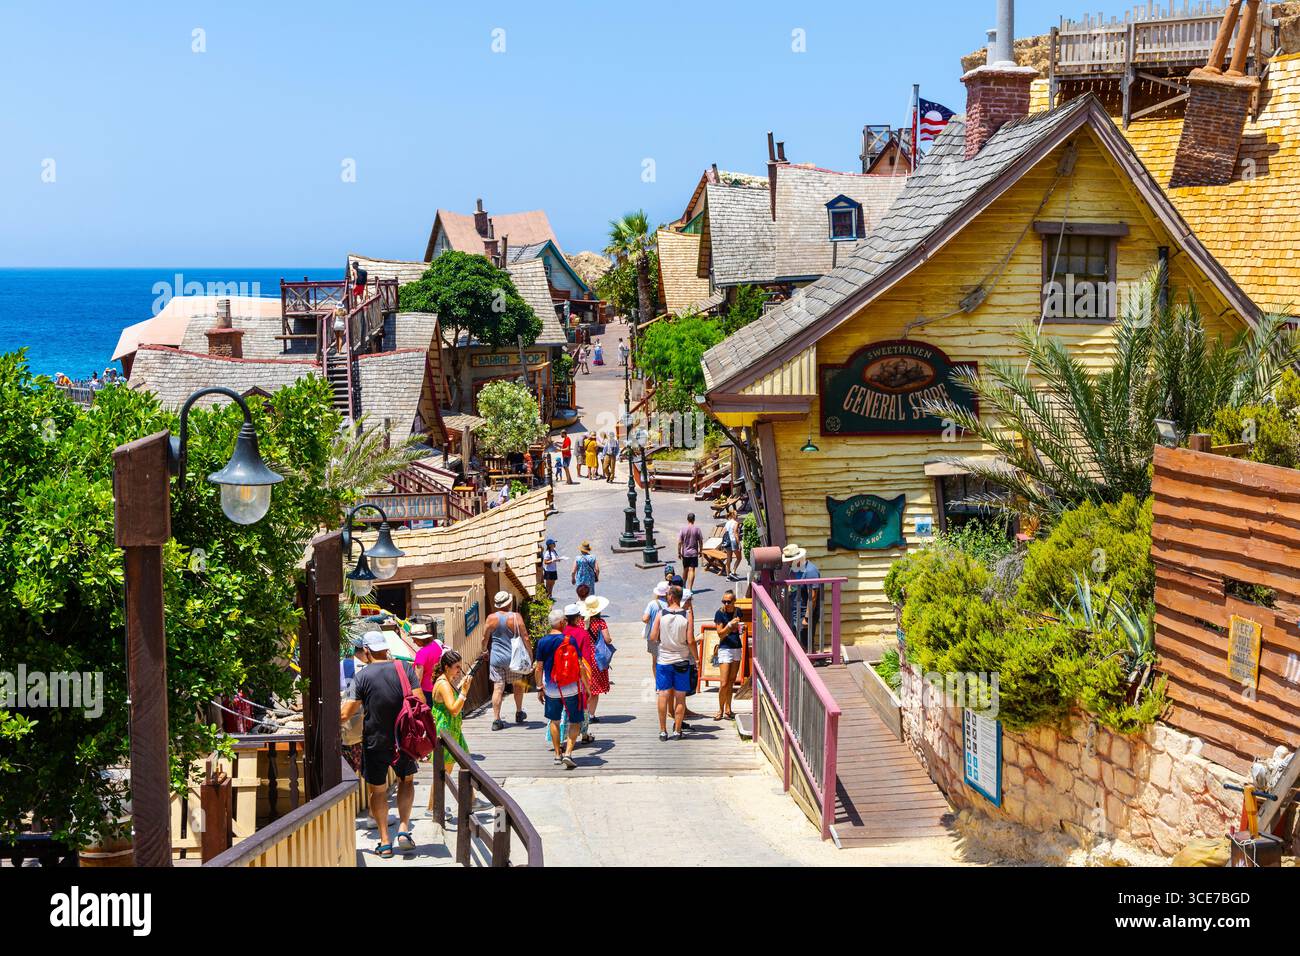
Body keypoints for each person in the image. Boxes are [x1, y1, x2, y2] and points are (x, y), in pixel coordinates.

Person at [339, 631, 422, 858]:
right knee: (406, 781)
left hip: (375, 741)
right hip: (404, 739)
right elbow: (420, 702)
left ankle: (385, 842)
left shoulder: (363, 676)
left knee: (378, 791)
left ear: (366, 650)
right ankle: (404, 829)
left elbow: (346, 713)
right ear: (385, 648)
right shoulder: (404, 669)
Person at [534, 607, 582, 769]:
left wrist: (540, 687)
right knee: (575, 720)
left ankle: (557, 754)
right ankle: (568, 753)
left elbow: (539, 667)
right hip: (572, 688)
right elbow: (580, 665)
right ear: (562, 623)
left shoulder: (542, 642)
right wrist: (586, 686)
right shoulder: (570, 640)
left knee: (554, 720)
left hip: (552, 689)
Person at [426, 649, 472, 816]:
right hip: (445, 732)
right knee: (443, 771)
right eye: (457, 667)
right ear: (446, 667)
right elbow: (453, 709)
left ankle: (473, 799)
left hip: (453, 731)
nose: (459, 670)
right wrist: (465, 691)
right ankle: (432, 807)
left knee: (465, 763)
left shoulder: (446, 680)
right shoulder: (444, 684)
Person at [650, 586, 696, 741]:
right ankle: (677, 730)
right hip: (682, 660)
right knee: (680, 697)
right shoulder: (687, 615)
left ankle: (663, 731)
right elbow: (690, 640)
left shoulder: (660, 614)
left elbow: (653, 637)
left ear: (670, 597)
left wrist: (663, 640)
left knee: (663, 695)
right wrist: (696, 658)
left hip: (664, 660)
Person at [483, 591, 528, 731]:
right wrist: (530, 654)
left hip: (496, 658)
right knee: (517, 685)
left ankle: (496, 720)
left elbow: (484, 638)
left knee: (498, 688)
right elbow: (525, 637)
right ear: (509, 603)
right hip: (513, 658)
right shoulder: (516, 617)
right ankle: (519, 712)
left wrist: (484, 650)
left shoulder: (491, 618)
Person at [781, 543, 822, 651]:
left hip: (805, 612)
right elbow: (793, 586)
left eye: (790, 560)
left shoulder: (810, 571)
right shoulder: (794, 569)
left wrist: (807, 618)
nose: (788, 563)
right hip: (796, 610)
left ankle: (812, 663)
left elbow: (813, 596)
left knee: (805, 642)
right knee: (799, 641)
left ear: (797, 559)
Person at [339, 635, 371, 774]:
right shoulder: (367, 668)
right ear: (366, 650)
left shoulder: (340, 664)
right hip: (362, 730)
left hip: (344, 727)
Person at [581, 595, 613, 725]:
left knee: (585, 685)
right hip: (596, 658)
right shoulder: (600, 623)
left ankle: (584, 712)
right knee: (595, 688)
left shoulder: (580, 622)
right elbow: (607, 639)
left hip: (584, 657)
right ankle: (591, 714)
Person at [713, 591, 743, 721]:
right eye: (724, 601)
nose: (726, 604)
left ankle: (728, 709)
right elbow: (720, 634)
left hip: (736, 646)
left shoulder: (738, 612)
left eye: (728, 601)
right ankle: (720, 709)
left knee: (731, 681)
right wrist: (730, 625)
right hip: (725, 648)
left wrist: (740, 628)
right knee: (724, 682)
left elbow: (740, 629)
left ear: (734, 601)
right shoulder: (720, 613)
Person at [411, 622, 443, 709]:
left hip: (427, 691)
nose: (413, 642)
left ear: (421, 639)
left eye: (415, 639)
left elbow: (418, 678)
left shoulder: (421, 653)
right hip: (439, 686)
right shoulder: (437, 644)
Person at [643, 580, 669, 677]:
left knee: (655, 661)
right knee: (667, 661)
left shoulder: (652, 604)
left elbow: (645, 619)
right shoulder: (671, 604)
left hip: (653, 637)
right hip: (667, 636)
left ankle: (658, 684)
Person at [678, 513, 705, 591]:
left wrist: (679, 552)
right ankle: (690, 588)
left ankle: (683, 586)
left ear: (687, 519)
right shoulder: (697, 529)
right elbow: (700, 541)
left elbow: (679, 542)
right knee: (692, 570)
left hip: (685, 553)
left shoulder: (683, 529)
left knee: (685, 569)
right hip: (694, 553)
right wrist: (701, 550)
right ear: (694, 519)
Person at [722, 509, 741, 579]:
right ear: (733, 515)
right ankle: (733, 572)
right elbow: (735, 533)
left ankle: (728, 576)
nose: (737, 516)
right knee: (739, 558)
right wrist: (739, 543)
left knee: (728, 559)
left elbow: (723, 532)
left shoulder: (727, 523)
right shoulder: (736, 523)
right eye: (736, 514)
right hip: (733, 541)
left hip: (727, 542)